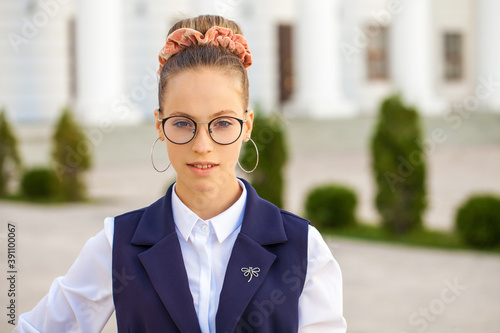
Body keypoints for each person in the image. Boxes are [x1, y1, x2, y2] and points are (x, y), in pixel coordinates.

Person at [14, 15, 346, 333]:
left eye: (223, 123)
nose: (202, 145)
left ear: (247, 126)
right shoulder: (117, 244)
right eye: (183, 122)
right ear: (160, 125)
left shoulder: (303, 248)